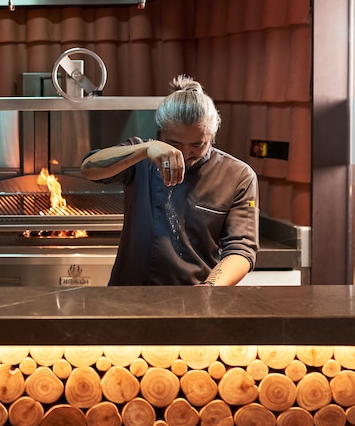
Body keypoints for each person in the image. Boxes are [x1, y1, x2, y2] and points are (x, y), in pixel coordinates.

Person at [80, 75, 258, 286]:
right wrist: (144, 149)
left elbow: (241, 249)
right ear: (160, 134)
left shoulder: (238, 176)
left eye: (197, 145)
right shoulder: (141, 159)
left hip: (196, 295)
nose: (185, 153)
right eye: (174, 143)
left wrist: (209, 289)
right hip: (129, 294)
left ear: (211, 136)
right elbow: (89, 168)